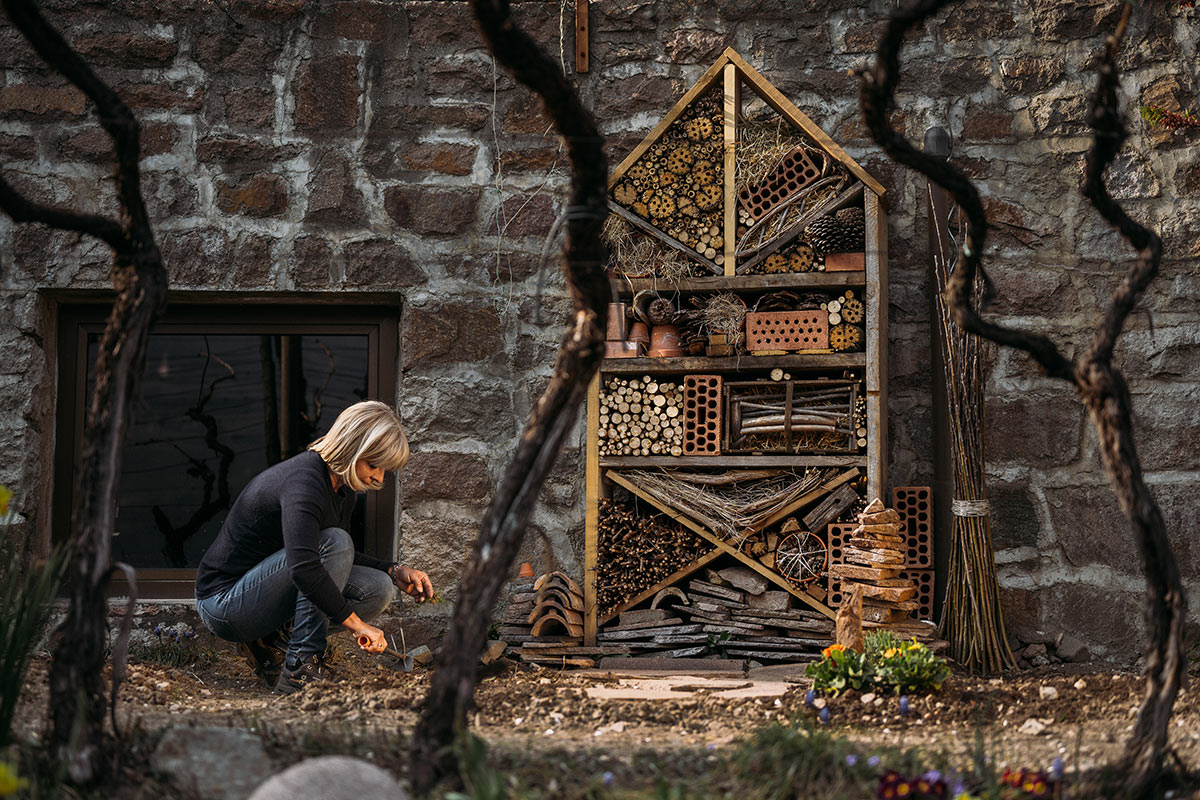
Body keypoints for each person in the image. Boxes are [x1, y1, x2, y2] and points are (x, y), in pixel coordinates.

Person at [195, 400, 434, 693]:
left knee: (379, 587)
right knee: (336, 541)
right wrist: (358, 625)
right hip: (224, 604)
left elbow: (335, 558)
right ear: (351, 447)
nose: (378, 478)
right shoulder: (305, 482)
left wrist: (394, 570)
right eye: (373, 465)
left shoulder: (342, 488)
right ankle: (301, 669)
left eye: (385, 471)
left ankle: (274, 640)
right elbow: (307, 566)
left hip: (262, 596)